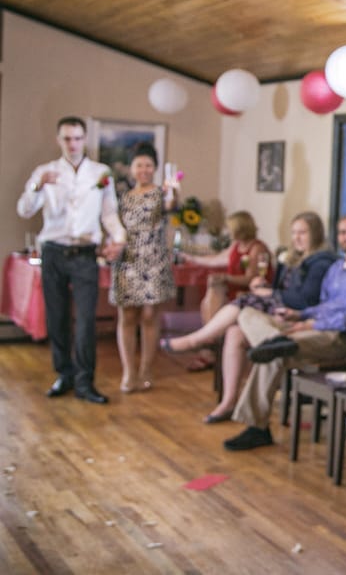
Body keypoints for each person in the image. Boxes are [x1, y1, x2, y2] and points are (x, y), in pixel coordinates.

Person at [221, 214, 346, 451]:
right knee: (247, 313)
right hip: (311, 327)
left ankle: (257, 428)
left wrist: (310, 325)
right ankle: (274, 341)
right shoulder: (336, 268)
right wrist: (301, 314)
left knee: (273, 353)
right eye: (343, 232)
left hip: (338, 337)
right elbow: (324, 304)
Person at [17, 116, 127, 404]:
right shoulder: (45, 172)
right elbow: (25, 210)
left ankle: (85, 381)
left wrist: (118, 238)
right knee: (57, 318)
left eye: (78, 138)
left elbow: (109, 213)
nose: (73, 144)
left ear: (85, 139)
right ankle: (64, 374)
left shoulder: (100, 173)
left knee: (86, 320)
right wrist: (37, 186)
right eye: (67, 138)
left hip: (85, 255)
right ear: (59, 140)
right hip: (53, 251)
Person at [197, 212, 336, 424]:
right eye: (294, 233)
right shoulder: (291, 257)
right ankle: (229, 400)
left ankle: (200, 340)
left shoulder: (321, 262)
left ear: (315, 234)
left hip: (298, 318)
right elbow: (279, 289)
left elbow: (306, 300)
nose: (297, 238)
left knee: (246, 315)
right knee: (235, 330)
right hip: (280, 313)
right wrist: (264, 288)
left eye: (303, 233)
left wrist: (270, 294)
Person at [109, 142, 178, 393]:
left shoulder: (162, 193)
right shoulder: (123, 197)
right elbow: (113, 226)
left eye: (149, 165)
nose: (144, 169)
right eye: (139, 165)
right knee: (127, 316)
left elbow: (171, 205)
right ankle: (128, 372)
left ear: (155, 168)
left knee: (150, 316)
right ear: (131, 168)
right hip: (127, 260)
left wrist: (174, 193)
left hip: (154, 260)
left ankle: (147, 369)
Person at [163, 210, 270, 362]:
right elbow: (216, 260)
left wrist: (225, 277)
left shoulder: (257, 248)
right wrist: (192, 258)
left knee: (215, 289)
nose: (228, 232)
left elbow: (250, 278)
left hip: (248, 292)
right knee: (212, 288)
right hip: (233, 291)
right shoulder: (236, 246)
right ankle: (210, 342)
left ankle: (209, 344)